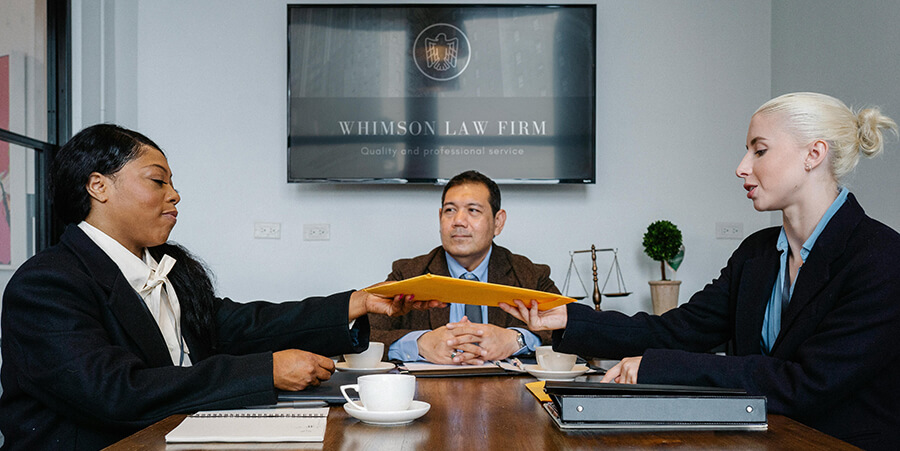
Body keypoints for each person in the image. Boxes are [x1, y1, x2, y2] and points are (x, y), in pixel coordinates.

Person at [0, 124, 439, 450]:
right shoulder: (47, 284)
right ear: (98, 186)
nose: (175, 195)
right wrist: (265, 371)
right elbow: (116, 393)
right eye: (158, 181)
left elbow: (241, 325)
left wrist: (356, 304)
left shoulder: (169, 270)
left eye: (172, 183)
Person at [501, 92, 900, 449]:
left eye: (759, 151)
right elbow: (678, 329)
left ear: (814, 154)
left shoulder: (881, 258)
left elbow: (806, 383)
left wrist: (658, 367)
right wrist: (570, 318)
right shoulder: (756, 254)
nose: (742, 167)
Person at [370, 170, 559, 365]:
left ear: (498, 222)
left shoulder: (529, 275)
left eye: (473, 210)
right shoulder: (408, 274)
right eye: (450, 210)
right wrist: (419, 344)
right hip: (429, 394)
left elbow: (572, 331)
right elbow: (362, 338)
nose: (458, 221)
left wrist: (516, 340)